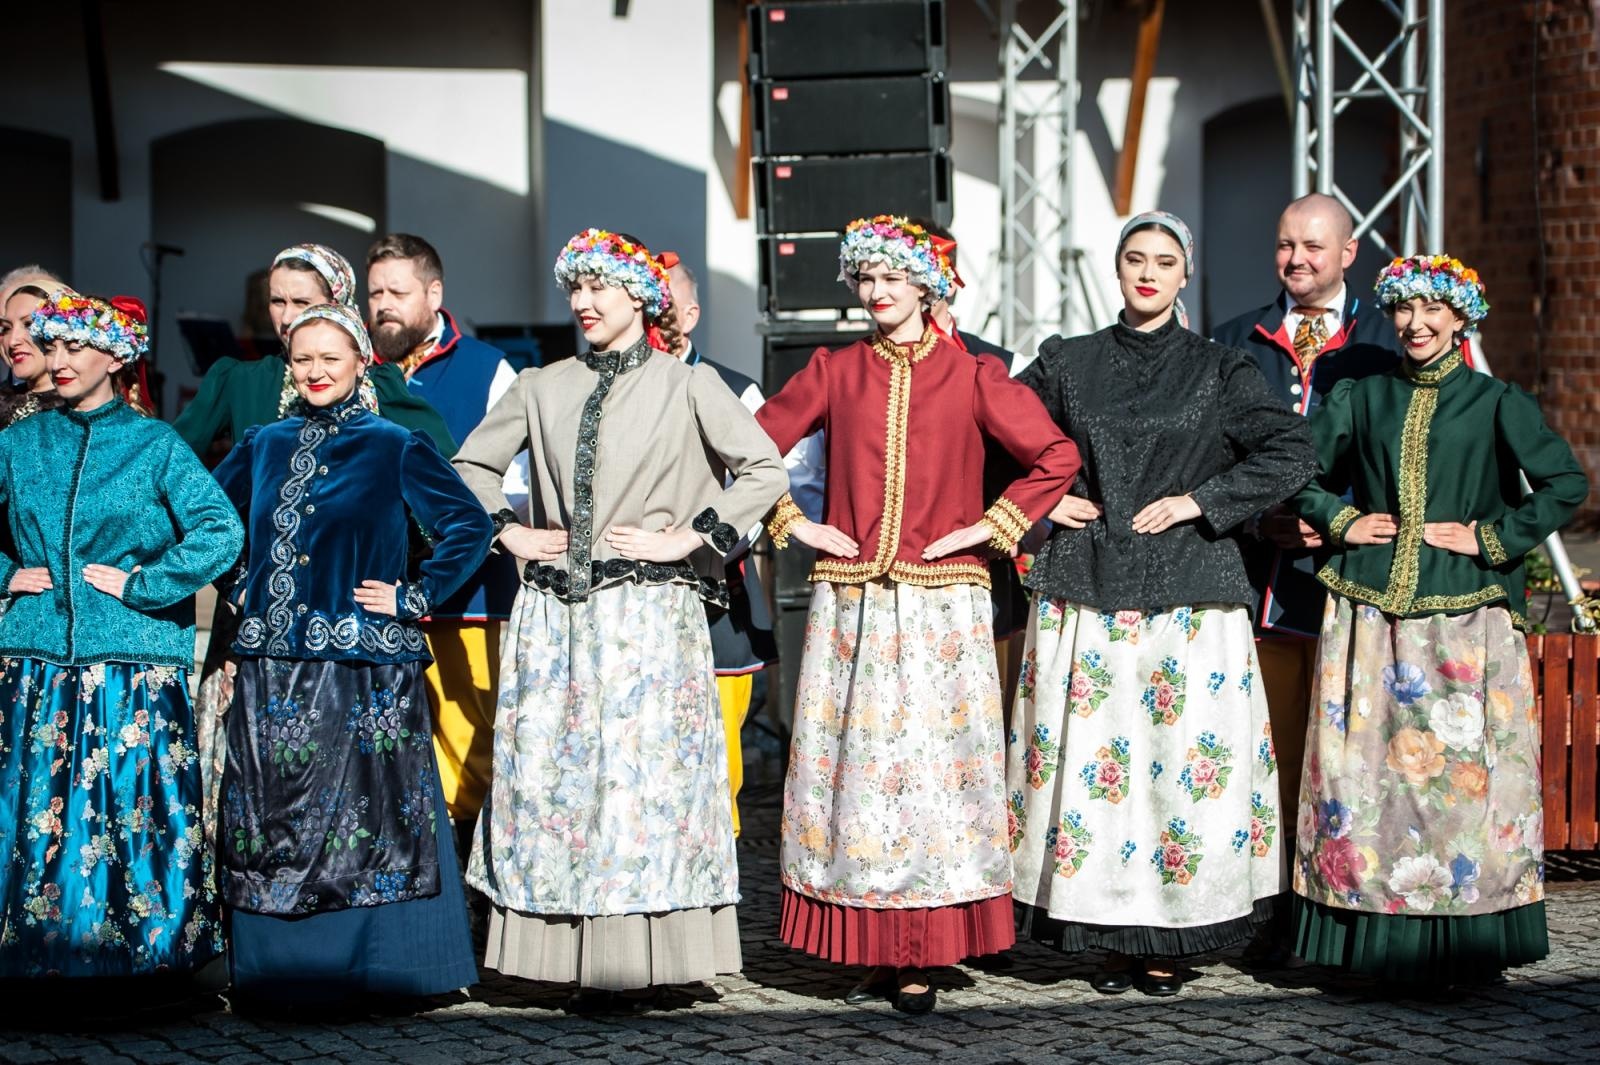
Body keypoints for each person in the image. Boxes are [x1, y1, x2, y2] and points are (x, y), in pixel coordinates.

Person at [755, 214, 1081, 1014]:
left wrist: (990, 525)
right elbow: (749, 444)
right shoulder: (836, 369)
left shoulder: (972, 375)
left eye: (891, 278)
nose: (876, 293)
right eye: (865, 279)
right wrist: (794, 522)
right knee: (860, 776)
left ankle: (925, 947)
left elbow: (1056, 457)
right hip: (855, 600)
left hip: (944, 605)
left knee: (935, 774)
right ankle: (865, 936)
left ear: (927, 284)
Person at [453, 229, 785, 1009]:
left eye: (600, 287)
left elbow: (765, 468)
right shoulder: (540, 385)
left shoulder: (687, 384)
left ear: (640, 295)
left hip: (651, 616)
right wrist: (509, 531)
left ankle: (646, 957)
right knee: (562, 787)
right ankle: (561, 956)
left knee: (643, 791)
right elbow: (467, 467)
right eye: (576, 288)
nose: (583, 302)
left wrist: (693, 535)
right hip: (559, 619)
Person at [1008, 211, 1317, 997]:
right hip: (1090, 586)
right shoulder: (1066, 363)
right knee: (1097, 777)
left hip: (1190, 598)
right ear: (1117, 269)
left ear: (1186, 276)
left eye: (1165, 261)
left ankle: (1170, 936)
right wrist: (1044, 506)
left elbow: (1292, 448)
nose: (1148, 272)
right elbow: (990, 429)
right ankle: (1110, 935)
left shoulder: (1221, 369)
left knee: (1179, 777)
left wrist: (1203, 500)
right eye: (1135, 259)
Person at [1288, 255, 1587, 986]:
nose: (1415, 325)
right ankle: (1366, 947)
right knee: (1364, 787)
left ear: (1461, 319)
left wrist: (1491, 537)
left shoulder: (1493, 401)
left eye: (1432, 311)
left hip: (1464, 620)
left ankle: (1466, 948)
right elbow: (1295, 468)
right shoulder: (1364, 396)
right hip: (1370, 617)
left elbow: (1565, 482)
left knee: (1460, 789)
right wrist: (1343, 519)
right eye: (1403, 310)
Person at [210, 301, 491, 1011]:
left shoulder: (392, 442)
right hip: (273, 667)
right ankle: (280, 970)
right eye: (302, 360)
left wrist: (414, 594)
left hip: (360, 668)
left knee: (370, 823)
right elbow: (208, 521)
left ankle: (381, 967)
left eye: (329, 358)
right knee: (272, 820)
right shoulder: (263, 443)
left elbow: (467, 521)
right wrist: (238, 583)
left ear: (360, 362)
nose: (314, 371)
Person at [177, 243, 455, 848]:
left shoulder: (381, 393)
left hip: (350, 616)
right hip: (257, 620)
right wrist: (234, 577)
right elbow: (184, 479)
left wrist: (405, 574)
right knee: (252, 775)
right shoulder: (241, 381)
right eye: (276, 301)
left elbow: (448, 489)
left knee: (349, 790)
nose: (285, 313)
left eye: (302, 301)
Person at [0, 292, 243, 979]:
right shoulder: (18, 443)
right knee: (37, 815)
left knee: (134, 812)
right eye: (53, 347)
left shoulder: (154, 443)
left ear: (117, 354)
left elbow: (221, 531)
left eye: (77, 347)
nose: (61, 360)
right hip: (37, 661)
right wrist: (10, 572)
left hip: (133, 664)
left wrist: (145, 584)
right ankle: (34, 955)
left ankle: (149, 960)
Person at [1210, 196, 1401, 933]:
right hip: (1265, 584)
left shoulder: (1390, 337)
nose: (1298, 260)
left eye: (1314, 247)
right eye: (1286, 245)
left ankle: (1357, 915)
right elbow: (1216, 458)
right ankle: (1275, 914)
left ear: (1350, 252)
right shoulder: (1235, 342)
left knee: (1362, 753)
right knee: (1273, 753)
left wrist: (1342, 521)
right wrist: (1262, 518)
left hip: (1365, 581)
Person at [366, 233, 523, 846]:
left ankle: (474, 884)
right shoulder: (354, 367)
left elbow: (518, 478)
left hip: (470, 590)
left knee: (476, 740)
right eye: (374, 291)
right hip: (375, 588)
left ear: (434, 293)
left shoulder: (488, 368)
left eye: (397, 292)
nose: (383, 305)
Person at [659, 251, 776, 838]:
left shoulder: (737, 388)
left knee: (719, 744)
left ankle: (718, 858)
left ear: (692, 312)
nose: (655, 311)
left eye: (666, 299)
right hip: (629, 587)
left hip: (716, 588)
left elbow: (763, 488)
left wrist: (704, 545)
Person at [0, 282, 64, 427]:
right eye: (6, 328)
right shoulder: (4, 400)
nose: (12, 341)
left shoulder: (79, 410)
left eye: (29, 324)